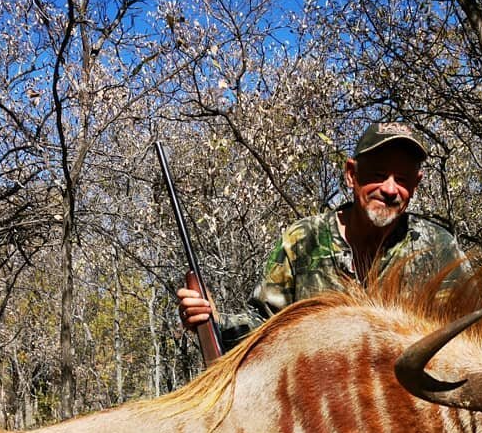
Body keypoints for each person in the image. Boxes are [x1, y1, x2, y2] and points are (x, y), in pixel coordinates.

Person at [178, 121, 466, 349]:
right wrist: (214, 321)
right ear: (352, 175)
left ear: (415, 185)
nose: (390, 189)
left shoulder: (438, 248)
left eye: (402, 179)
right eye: (378, 174)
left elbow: (473, 331)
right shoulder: (303, 239)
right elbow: (263, 326)